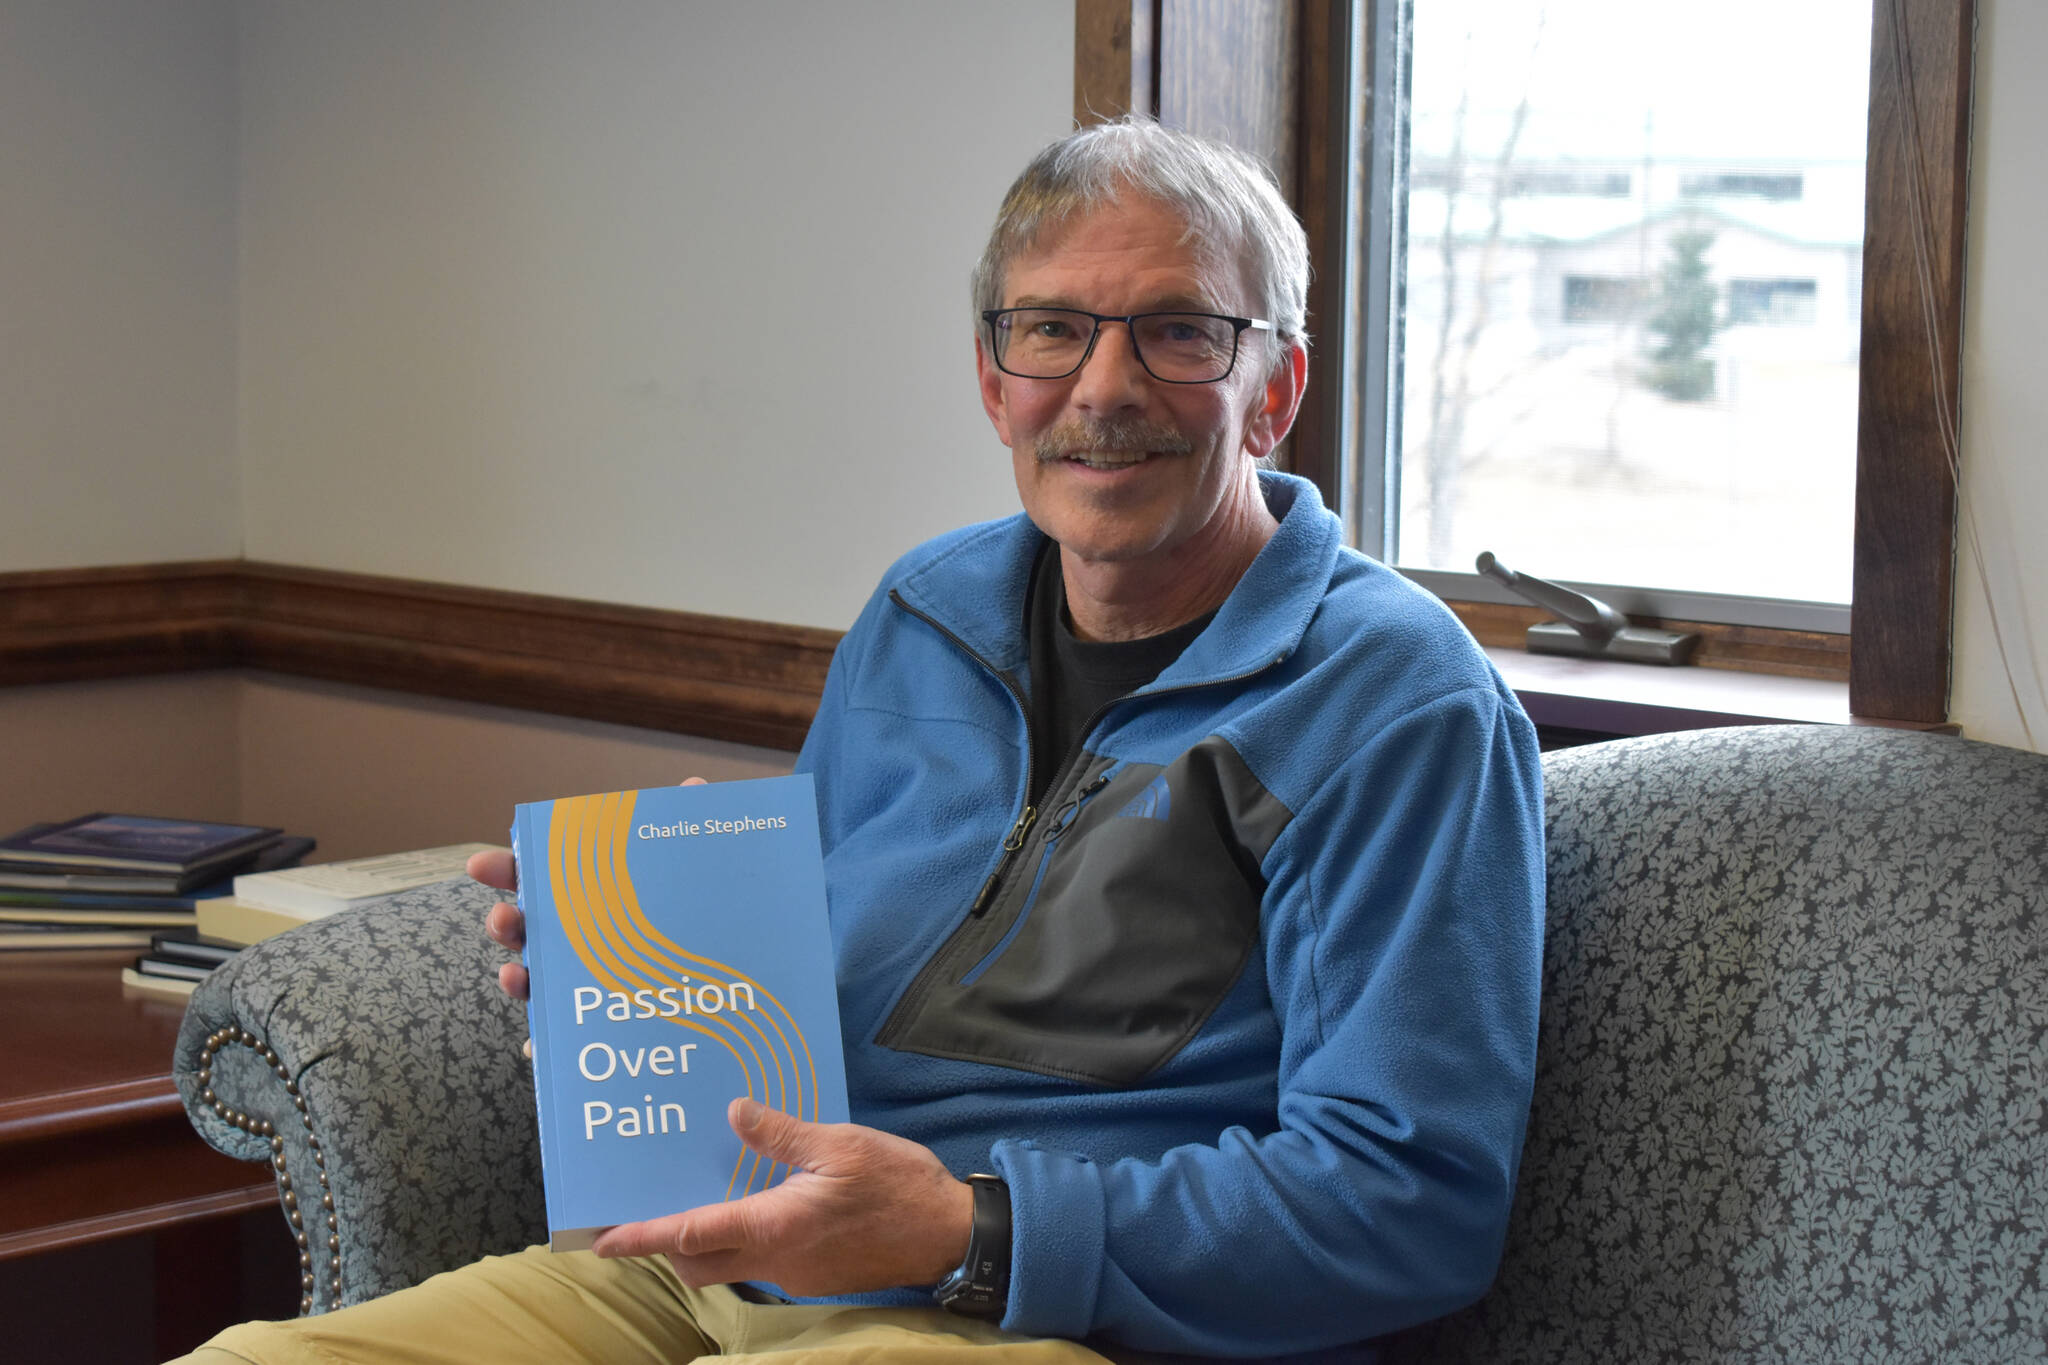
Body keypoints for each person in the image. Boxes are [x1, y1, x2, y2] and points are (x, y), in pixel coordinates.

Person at [175, 115, 1543, 1365]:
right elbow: (818, 1010)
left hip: (1074, 1325)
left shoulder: (1395, 700)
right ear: (993, 377)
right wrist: (655, 974)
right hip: (737, 1265)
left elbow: (1407, 1203)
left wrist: (968, 1226)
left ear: (1276, 386)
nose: (1103, 386)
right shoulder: (925, 611)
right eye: (1052, 330)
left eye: (1180, 332)